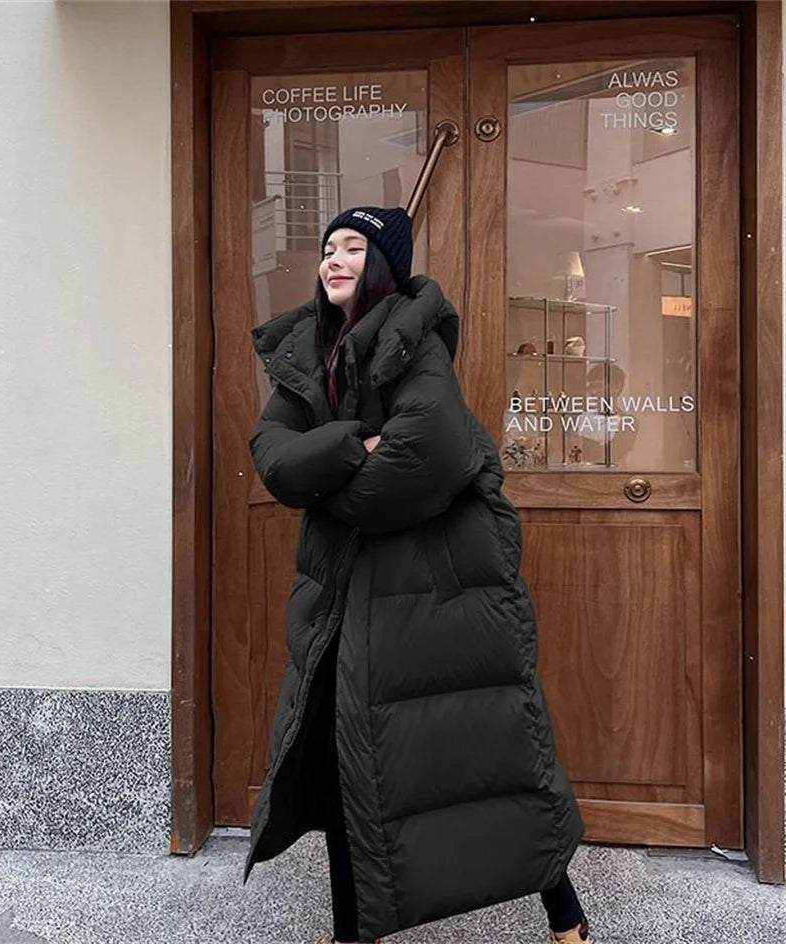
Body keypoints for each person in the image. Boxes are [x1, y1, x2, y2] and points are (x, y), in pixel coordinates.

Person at [245, 206, 591, 944]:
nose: (334, 259)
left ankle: (566, 918)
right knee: (341, 755)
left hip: (435, 585)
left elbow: (421, 457)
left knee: (489, 752)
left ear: (383, 264)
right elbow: (272, 455)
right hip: (345, 591)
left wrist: (332, 483)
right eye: (328, 247)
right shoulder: (309, 346)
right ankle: (349, 930)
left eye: (353, 248)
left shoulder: (415, 336)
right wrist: (347, 445)